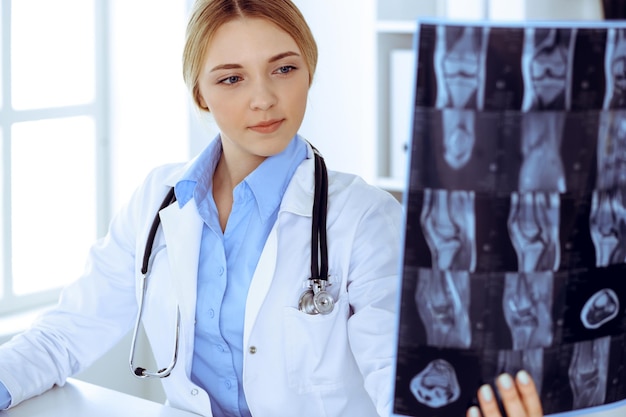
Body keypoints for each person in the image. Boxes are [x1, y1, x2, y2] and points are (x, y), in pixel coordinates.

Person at [0, 1, 544, 416]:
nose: (263, 98)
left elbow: (398, 379)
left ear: (309, 69)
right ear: (199, 94)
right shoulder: (158, 200)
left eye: (283, 69)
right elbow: (66, 334)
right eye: (231, 78)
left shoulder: (365, 219)